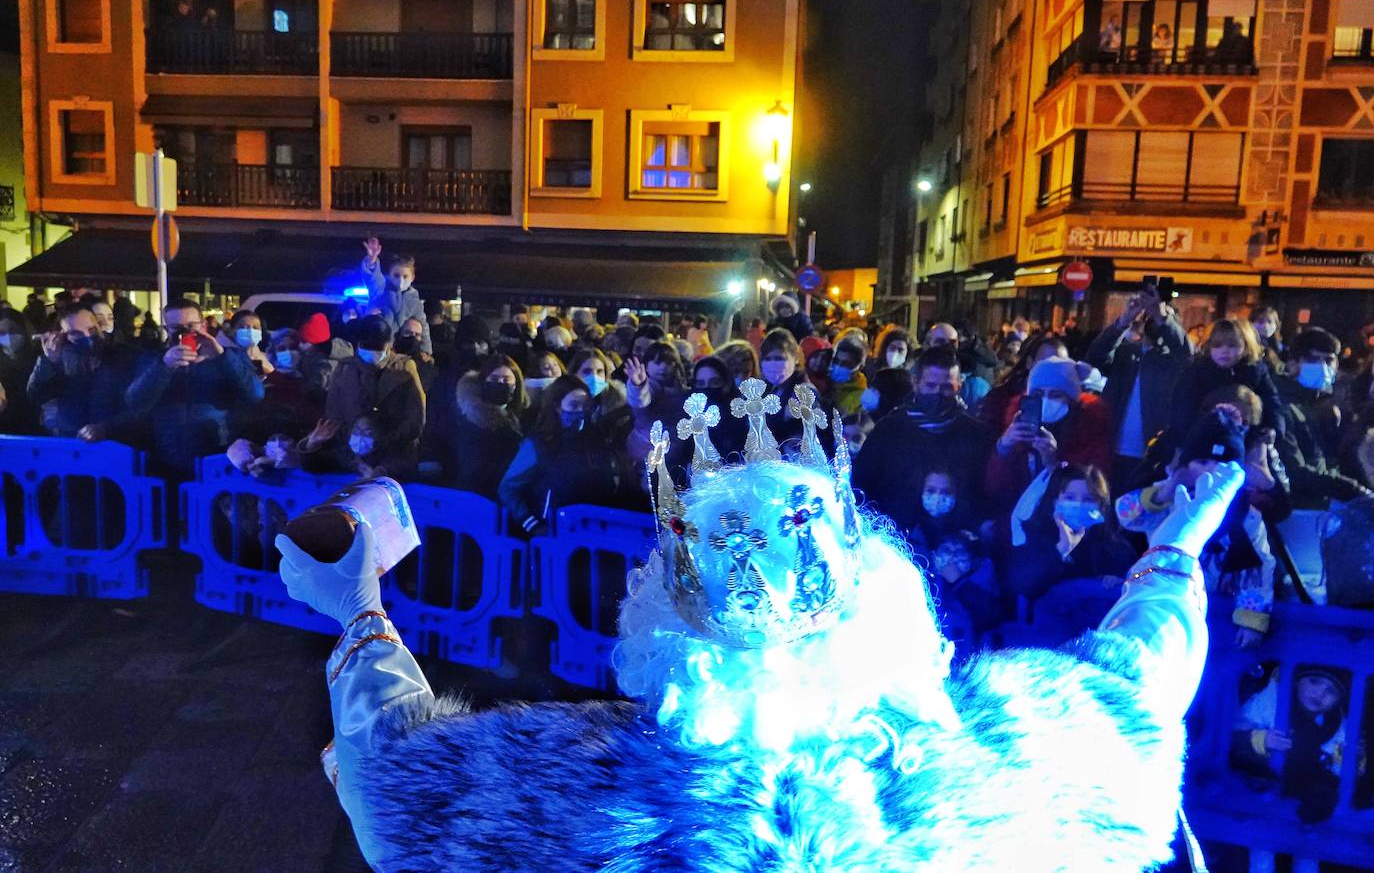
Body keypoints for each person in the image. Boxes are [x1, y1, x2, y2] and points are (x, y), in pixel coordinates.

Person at [276, 377, 1249, 869]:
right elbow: (1141, 667)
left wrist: (357, 605)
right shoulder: (1014, 765)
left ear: (663, 616)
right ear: (882, 593)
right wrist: (1177, 540)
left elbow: (391, 770)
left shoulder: (572, 791)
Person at [1116, 407, 1276, 647]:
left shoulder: (1246, 516)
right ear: (1186, 465)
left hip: (1218, 608)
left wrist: (1251, 620)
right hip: (1164, 601)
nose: (1211, 471)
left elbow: (1256, 569)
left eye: (1222, 464)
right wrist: (1163, 493)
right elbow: (1127, 515)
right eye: (1202, 462)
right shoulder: (1170, 499)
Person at [854, 345, 995, 533]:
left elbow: (985, 492)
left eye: (946, 387)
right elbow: (862, 485)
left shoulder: (976, 434)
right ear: (915, 383)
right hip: (896, 540)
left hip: (955, 546)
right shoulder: (889, 430)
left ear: (958, 386)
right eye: (930, 386)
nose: (937, 393)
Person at [124, 298, 265, 475]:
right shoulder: (154, 359)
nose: (185, 333)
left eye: (191, 326)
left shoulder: (230, 356)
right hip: (167, 458)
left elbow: (256, 394)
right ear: (167, 329)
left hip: (219, 458)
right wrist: (164, 366)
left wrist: (222, 357)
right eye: (176, 328)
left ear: (203, 325)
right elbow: (134, 402)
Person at [1086, 285, 1191, 492]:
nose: (1154, 319)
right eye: (1149, 315)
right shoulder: (1126, 353)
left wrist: (1162, 317)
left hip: (1151, 456)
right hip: (1111, 451)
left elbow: (1186, 352)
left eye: (1161, 315)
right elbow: (1096, 355)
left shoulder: (1174, 362)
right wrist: (1124, 321)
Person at [498, 375, 624, 535]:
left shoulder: (596, 438)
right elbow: (508, 489)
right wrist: (533, 525)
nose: (581, 411)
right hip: (555, 533)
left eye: (585, 406)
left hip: (594, 531)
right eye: (574, 405)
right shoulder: (539, 443)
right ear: (557, 407)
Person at [987, 357, 1113, 509]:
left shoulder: (1090, 433)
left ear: (1071, 400)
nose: (1046, 400)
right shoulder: (1019, 430)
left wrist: (1054, 464)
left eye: (1056, 394)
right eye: (1038, 394)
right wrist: (1004, 447)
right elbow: (997, 491)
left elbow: (1090, 495)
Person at [312, 316, 426, 480]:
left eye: (377, 346)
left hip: (393, 461)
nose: (372, 351)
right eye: (367, 346)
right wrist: (355, 445)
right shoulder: (346, 369)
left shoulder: (404, 368)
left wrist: (381, 441)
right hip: (352, 459)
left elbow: (415, 419)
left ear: (388, 344)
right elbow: (334, 415)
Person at [1231, 665, 1348, 824]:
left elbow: (1338, 764)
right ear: (1298, 682)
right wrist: (1261, 739)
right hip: (1255, 773)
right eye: (1314, 682)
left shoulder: (1336, 724)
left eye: (1331, 692)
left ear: (1338, 701)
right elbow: (1234, 732)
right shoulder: (1271, 699)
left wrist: (1338, 761)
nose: (1320, 693)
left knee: (1324, 789)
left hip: (1295, 784)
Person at [1006, 463, 1137, 602]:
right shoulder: (1035, 536)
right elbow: (1024, 586)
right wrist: (1061, 550)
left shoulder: (1117, 547)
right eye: (1070, 498)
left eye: (1089, 499)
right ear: (1055, 502)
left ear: (1101, 505)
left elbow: (1134, 584)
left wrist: (1118, 580)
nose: (1079, 504)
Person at [1274, 327, 1372, 506]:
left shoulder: (1326, 405)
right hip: (1296, 509)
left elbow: (1340, 459)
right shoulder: (1280, 405)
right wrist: (1353, 490)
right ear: (1293, 363)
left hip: (1323, 505)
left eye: (1329, 360)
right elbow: (1295, 470)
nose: (1323, 367)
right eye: (1313, 360)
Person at [908, 466, 1002, 644]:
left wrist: (960, 583)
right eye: (931, 490)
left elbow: (991, 614)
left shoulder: (976, 545)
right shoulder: (906, 536)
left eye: (945, 491)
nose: (937, 497)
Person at [27, 306, 147, 442]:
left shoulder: (128, 355)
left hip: (118, 443)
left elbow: (142, 404)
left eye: (91, 329)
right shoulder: (63, 358)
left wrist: (105, 428)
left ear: (99, 325)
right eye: (76, 333)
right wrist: (48, 362)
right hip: (73, 442)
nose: (87, 336)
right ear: (64, 335)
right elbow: (36, 395)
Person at [1169, 317, 1284, 441]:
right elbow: (1182, 407)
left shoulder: (1255, 371)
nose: (1224, 350)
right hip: (1202, 439)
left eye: (1232, 345)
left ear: (1246, 346)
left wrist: (1273, 428)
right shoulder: (1196, 371)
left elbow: (1271, 401)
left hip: (1247, 438)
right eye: (1217, 345)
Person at [438, 355, 526, 498]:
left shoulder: (525, 415)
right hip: (477, 494)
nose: (500, 383)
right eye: (495, 379)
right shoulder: (469, 417)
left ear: (516, 384)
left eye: (506, 379)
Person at [359, 236, 430, 356]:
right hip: (377, 350)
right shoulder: (381, 290)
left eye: (405, 276)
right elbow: (373, 279)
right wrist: (372, 260)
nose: (400, 280)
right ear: (390, 275)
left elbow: (423, 326)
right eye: (396, 275)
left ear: (412, 278)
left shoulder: (414, 300)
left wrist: (426, 352)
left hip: (401, 351)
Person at [567, 347, 631, 450]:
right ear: (574, 373)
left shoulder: (618, 402)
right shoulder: (564, 402)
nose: (594, 377)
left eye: (600, 371)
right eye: (587, 371)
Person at [297, 312, 353, 406]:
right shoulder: (314, 356)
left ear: (315, 343)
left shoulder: (326, 365)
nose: (300, 345)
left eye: (304, 341)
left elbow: (317, 393)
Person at [0, 309, 38, 434]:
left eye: (13, 331)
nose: (8, 338)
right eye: (2, 333)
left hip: (33, 425)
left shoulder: (38, 358)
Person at [825, 331, 869, 417]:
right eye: (836, 361)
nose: (838, 367)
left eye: (846, 364)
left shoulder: (861, 399)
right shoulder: (822, 380)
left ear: (860, 367)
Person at [1249, 305, 1285, 376]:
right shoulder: (1247, 344)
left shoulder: (1277, 343)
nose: (1265, 325)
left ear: (1276, 324)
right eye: (1260, 321)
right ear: (1251, 323)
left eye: (1269, 322)